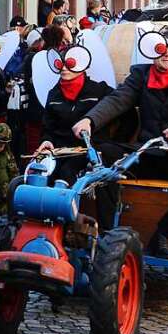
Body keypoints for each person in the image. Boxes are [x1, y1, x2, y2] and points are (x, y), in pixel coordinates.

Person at [72, 24, 168, 259]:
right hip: (145, 152)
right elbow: (117, 101)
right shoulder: (140, 74)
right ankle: (110, 237)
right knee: (103, 156)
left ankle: (162, 235)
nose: (167, 53)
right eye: (160, 47)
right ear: (151, 49)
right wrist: (89, 120)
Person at [35, 42, 120, 231]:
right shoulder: (54, 94)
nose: (64, 68)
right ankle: (39, 223)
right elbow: (48, 127)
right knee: (37, 172)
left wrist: (108, 141)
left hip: (91, 151)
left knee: (70, 174)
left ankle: (82, 229)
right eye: (60, 64)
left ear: (82, 65)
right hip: (61, 150)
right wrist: (46, 141)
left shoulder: (99, 90)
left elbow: (122, 112)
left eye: (70, 63)